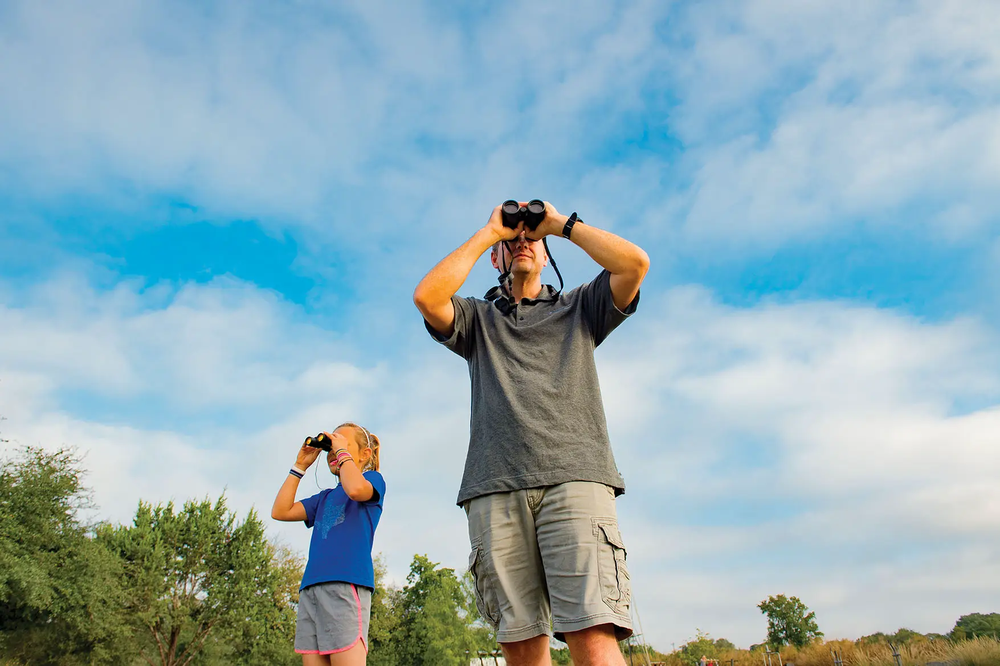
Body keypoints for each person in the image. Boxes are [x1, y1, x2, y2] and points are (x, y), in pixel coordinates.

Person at [413, 200, 649, 666]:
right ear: (496, 258)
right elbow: (427, 297)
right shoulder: (476, 319)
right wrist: (489, 233)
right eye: (512, 240)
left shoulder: (580, 306)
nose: (522, 240)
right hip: (494, 487)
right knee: (521, 647)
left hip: (575, 478)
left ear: (547, 255)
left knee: (593, 635)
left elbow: (634, 264)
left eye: (532, 238)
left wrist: (560, 225)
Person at [271, 422, 386, 666]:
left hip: (345, 585)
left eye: (340, 445)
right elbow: (280, 511)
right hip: (311, 589)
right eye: (330, 448)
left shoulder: (373, 480)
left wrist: (341, 451)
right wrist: (300, 466)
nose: (333, 452)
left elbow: (355, 490)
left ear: (365, 454)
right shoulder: (323, 498)